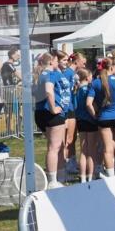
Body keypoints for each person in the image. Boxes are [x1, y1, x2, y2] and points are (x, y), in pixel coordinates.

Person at [33, 52, 68, 188]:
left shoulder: (40, 74)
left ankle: (57, 178)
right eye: (55, 60)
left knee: (55, 147)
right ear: (52, 61)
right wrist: (53, 108)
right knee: (54, 147)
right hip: (51, 114)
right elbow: (49, 90)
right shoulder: (48, 74)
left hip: (41, 113)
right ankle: (53, 181)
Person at [73, 68, 99, 183]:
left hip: (80, 121)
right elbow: (90, 104)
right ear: (87, 77)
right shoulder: (87, 89)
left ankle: (83, 176)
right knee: (91, 150)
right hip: (90, 120)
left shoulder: (76, 90)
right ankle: (91, 175)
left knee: (83, 150)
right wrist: (95, 116)